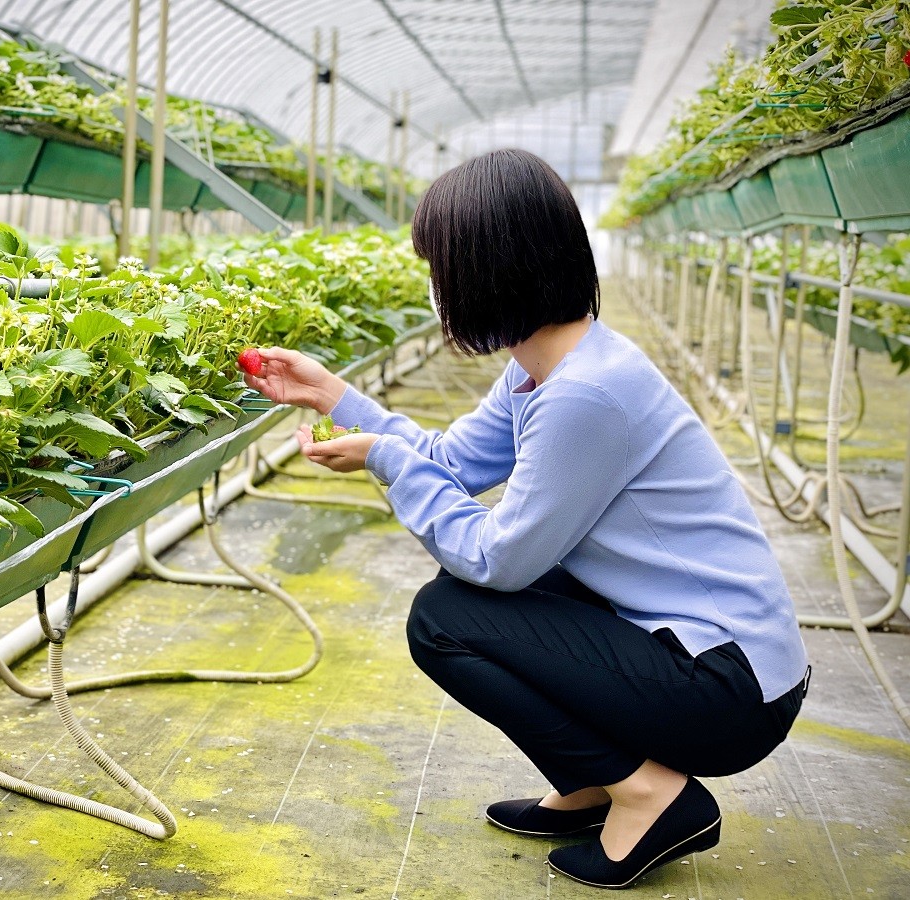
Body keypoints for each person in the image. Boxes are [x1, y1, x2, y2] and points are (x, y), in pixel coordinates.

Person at [240, 148, 811, 890]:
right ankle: (594, 783)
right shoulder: (546, 369)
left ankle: (650, 795)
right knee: (506, 599)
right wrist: (335, 398)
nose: (436, 288)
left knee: (446, 617)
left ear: (485, 269)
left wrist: (385, 457)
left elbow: (495, 558)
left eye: (440, 267)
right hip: (688, 647)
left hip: (729, 688)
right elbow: (449, 464)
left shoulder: (587, 395)